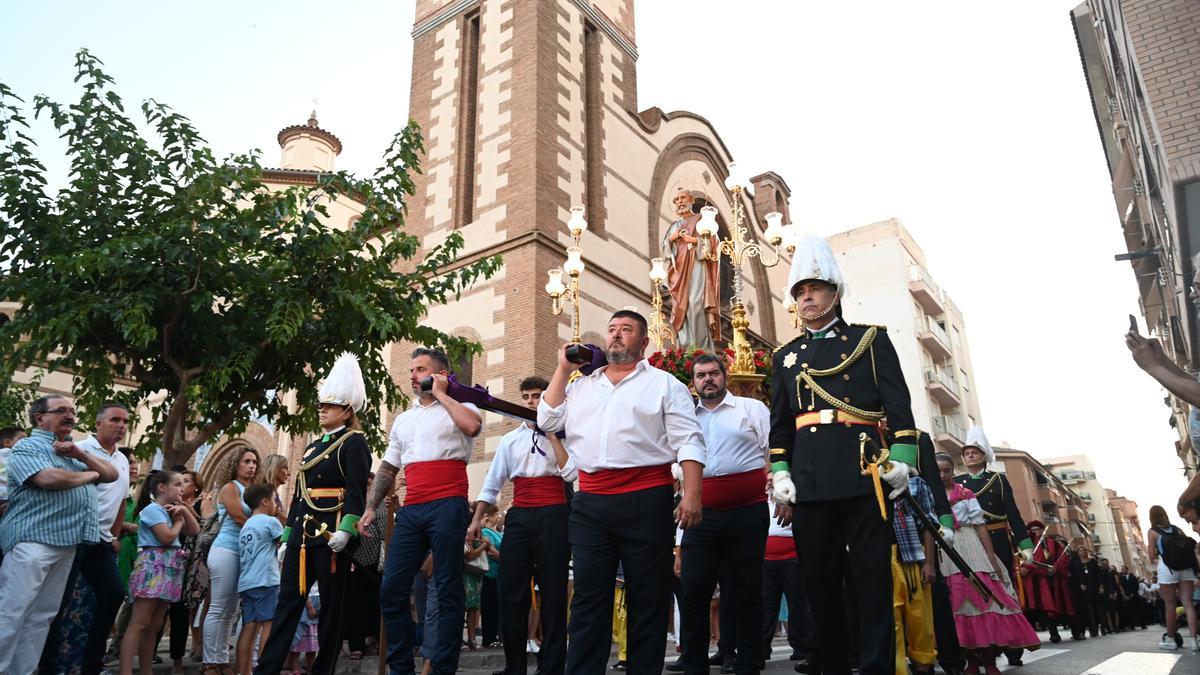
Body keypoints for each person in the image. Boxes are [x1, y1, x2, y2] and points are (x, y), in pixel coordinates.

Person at [766, 235, 921, 675]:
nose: (806, 297)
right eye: (799, 292)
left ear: (835, 292)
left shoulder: (870, 340)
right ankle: (832, 663)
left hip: (863, 474)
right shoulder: (785, 357)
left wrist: (904, 460)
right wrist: (781, 471)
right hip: (810, 480)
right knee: (819, 580)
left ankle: (875, 666)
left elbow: (899, 408)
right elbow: (781, 425)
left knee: (871, 579)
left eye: (814, 289)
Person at [538, 309, 706, 675]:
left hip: (646, 499)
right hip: (590, 503)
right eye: (612, 329)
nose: (615, 335)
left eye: (626, 330)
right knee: (588, 597)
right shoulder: (581, 385)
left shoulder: (664, 384)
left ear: (643, 342)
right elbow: (547, 420)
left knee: (647, 596)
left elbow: (688, 441)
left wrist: (692, 494)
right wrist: (564, 368)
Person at [361, 346, 483, 675]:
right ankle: (402, 668)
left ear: (440, 374)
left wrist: (443, 395)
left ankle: (442, 667)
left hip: (448, 503)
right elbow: (388, 467)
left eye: (419, 369)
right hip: (412, 509)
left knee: (447, 587)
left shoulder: (461, 406)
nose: (412, 376)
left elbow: (473, 427)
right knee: (391, 588)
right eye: (411, 370)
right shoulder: (404, 418)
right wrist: (370, 508)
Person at [256, 353, 372, 675]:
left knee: (333, 612)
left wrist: (347, 530)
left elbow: (356, 491)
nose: (321, 410)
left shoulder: (354, 443)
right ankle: (266, 669)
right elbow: (299, 494)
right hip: (303, 537)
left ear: (347, 410)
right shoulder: (311, 447)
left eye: (329, 406)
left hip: (332, 535)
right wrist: (288, 536)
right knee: (288, 604)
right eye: (321, 405)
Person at [0, 395, 118, 675]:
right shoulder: (27, 447)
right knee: (12, 612)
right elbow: (48, 479)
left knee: (42, 617)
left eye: (73, 411)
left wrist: (82, 456)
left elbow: (110, 474)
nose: (70, 416)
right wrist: (90, 475)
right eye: (61, 411)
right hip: (33, 542)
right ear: (39, 417)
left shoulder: (72, 452)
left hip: (66, 544)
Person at [467, 375, 576, 675]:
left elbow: (571, 474)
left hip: (554, 513)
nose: (531, 402)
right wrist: (476, 520)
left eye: (538, 396)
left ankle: (552, 666)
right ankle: (514, 666)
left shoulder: (566, 436)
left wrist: (552, 433)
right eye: (527, 397)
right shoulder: (510, 440)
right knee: (510, 591)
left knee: (554, 592)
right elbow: (492, 484)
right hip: (520, 515)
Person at [672, 354, 769, 675]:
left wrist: (782, 492)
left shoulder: (751, 409)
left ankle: (750, 662)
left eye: (714, 373)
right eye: (701, 375)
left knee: (747, 590)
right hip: (702, 515)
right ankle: (694, 662)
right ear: (694, 382)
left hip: (748, 512)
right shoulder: (685, 417)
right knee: (694, 588)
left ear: (725, 376)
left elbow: (773, 452)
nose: (708, 379)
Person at [35, 402, 131, 675]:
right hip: (74, 537)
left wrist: (114, 534)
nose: (121, 426)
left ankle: (92, 664)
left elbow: (122, 499)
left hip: (100, 542)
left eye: (125, 422)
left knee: (113, 595)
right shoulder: (77, 450)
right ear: (98, 424)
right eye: (115, 420)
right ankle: (49, 666)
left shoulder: (122, 460)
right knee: (57, 604)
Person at [935, 453, 1038, 675]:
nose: (942, 475)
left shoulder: (966, 492)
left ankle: (989, 661)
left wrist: (990, 556)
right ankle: (970, 661)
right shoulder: (929, 494)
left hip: (971, 543)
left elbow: (981, 525)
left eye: (946, 470)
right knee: (956, 604)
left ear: (954, 471)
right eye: (938, 471)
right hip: (945, 549)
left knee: (985, 598)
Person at [953, 426, 1033, 666]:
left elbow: (1013, 514)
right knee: (975, 592)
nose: (970, 455)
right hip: (969, 541)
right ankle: (985, 643)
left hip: (998, 539)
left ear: (984, 455)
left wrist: (1025, 544)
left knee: (1005, 589)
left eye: (975, 452)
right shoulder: (956, 482)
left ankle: (1012, 644)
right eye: (966, 452)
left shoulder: (998, 480)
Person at [120, 469, 199, 675]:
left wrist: (183, 509)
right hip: (154, 565)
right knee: (140, 622)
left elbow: (194, 530)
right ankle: (126, 670)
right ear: (162, 488)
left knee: (154, 625)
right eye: (178, 484)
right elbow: (166, 537)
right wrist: (179, 522)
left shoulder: (171, 510)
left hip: (170, 567)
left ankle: (147, 670)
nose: (182, 488)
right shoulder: (153, 510)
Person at [203, 447, 260, 674]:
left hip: (243, 553)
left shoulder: (251, 490)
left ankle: (222, 659)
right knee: (218, 607)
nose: (251, 465)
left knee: (231, 610)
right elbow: (238, 517)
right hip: (226, 550)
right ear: (235, 464)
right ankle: (209, 662)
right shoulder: (230, 488)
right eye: (246, 461)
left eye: (254, 461)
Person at [759, 500, 816, 673]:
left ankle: (800, 647)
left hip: (792, 558)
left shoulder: (792, 498)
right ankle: (762, 648)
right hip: (767, 560)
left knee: (797, 604)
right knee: (766, 606)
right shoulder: (763, 501)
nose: (769, 481)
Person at [891, 474, 939, 675]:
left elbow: (928, 524)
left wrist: (929, 562)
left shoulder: (916, 482)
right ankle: (898, 669)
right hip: (878, 555)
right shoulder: (866, 479)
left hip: (912, 554)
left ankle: (923, 666)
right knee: (891, 619)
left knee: (919, 617)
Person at [662, 188, 720, 350]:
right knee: (682, 308)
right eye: (677, 199)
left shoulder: (701, 220)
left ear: (691, 200)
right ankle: (686, 348)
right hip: (678, 271)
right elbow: (666, 252)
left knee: (696, 303)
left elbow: (713, 242)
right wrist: (672, 239)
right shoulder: (674, 226)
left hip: (696, 266)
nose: (679, 201)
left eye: (683, 198)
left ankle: (701, 348)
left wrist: (694, 240)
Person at [237, 483, 284, 675]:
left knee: (249, 627)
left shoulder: (247, 524)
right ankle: (266, 670)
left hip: (246, 583)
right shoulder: (270, 521)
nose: (275, 505)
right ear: (265, 501)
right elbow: (285, 541)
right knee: (269, 625)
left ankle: (243, 671)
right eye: (274, 500)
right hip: (265, 580)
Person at [1147, 504, 1199, 652]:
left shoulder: (1153, 532)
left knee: (1170, 606)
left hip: (1168, 569)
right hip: (1186, 569)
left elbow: (1151, 556)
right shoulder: (1177, 529)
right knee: (1188, 604)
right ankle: (1195, 641)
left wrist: (1158, 558)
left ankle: (1170, 640)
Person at [1018, 520, 1072, 644]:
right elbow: (1017, 559)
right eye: (1033, 530)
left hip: (1050, 579)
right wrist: (1020, 569)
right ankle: (1030, 637)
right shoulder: (1023, 545)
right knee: (1030, 608)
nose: (1036, 532)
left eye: (1038, 529)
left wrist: (1056, 568)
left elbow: (1062, 558)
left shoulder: (1053, 544)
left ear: (1042, 530)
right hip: (1030, 580)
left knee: (1049, 608)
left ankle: (1054, 633)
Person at [1067, 540, 1100, 639]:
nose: (1082, 552)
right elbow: (1073, 575)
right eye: (1080, 550)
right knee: (1083, 610)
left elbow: (1097, 575)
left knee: (1094, 609)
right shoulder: (1075, 562)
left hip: (1092, 587)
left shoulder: (1092, 561)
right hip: (1080, 589)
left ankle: (1094, 630)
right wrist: (1080, 584)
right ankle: (1082, 631)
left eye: (1083, 550)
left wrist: (1100, 585)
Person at [259, 453, 291, 522]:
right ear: (275, 469)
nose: (289, 473)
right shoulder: (264, 493)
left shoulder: (274, 494)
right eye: (286, 468)